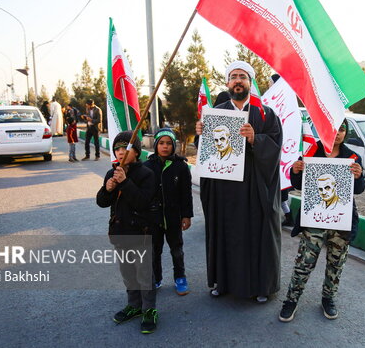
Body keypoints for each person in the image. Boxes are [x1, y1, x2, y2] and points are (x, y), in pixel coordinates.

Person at [196, 60, 283, 303]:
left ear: (250, 82)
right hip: (225, 189)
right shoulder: (216, 112)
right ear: (227, 82)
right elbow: (205, 150)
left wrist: (256, 139)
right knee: (224, 234)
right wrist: (200, 133)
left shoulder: (264, 113)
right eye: (233, 76)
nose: (237, 81)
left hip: (254, 190)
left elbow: (275, 147)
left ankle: (260, 286)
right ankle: (222, 283)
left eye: (242, 77)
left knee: (255, 236)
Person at [279, 119, 365, 322]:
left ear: (346, 133)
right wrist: (296, 170)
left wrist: (359, 176)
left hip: (341, 221)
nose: (337, 133)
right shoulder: (310, 153)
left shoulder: (352, 157)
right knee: (304, 263)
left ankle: (328, 299)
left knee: (336, 264)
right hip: (314, 221)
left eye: (342, 129)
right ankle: (291, 300)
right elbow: (298, 185)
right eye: (333, 128)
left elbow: (359, 189)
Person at [96, 131, 160, 333]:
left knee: (144, 274)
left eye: (126, 148)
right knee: (127, 273)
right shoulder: (111, 172)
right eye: (117, 149)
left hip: (140, 233)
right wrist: (107, 189)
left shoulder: (146, 174)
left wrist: (124, 182)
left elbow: (143, 202)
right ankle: (134, 305)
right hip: (119, 233)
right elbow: (101, 202)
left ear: (137, 152)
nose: (121, 152)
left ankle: (149, 309)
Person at [144, 128, 193, 295]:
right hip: (154, 219)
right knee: (154, 251)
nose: (165, 147)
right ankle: (156, 278)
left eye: (169, 143)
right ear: (156, 145)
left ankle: (180, 278)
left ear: (173, 146)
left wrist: (186, 215)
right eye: (162, 143)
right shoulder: (147, 167)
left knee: (177, 250)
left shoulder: (181, 167)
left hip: (173, 218)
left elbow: (186, 194)